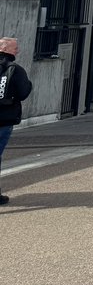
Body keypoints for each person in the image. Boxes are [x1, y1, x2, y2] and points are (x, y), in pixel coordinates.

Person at [0, 37, 34, 205]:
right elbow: (23, 93)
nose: (18, 51)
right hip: (4, 119)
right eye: (15, 48)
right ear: (7, 50)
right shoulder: (15, 69)